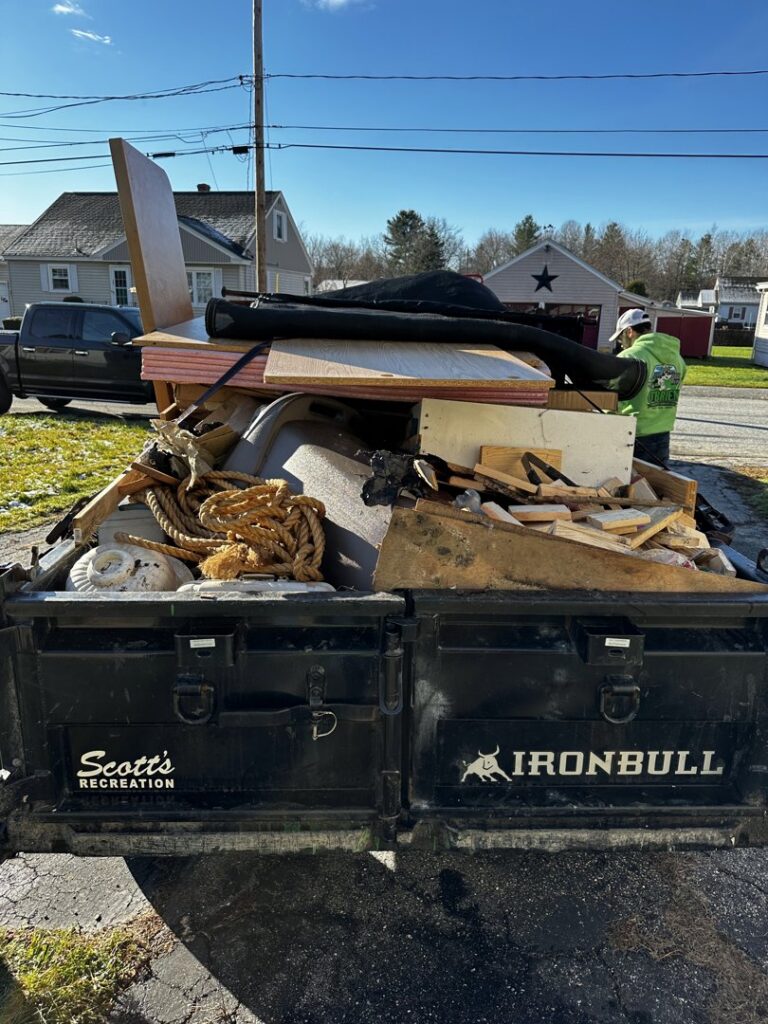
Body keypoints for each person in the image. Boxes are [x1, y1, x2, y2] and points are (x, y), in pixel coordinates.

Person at [608, 308, 686, 464]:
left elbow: (610, 397)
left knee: (633, 485)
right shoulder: (677, 358)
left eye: (620, 338)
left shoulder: (629, 356)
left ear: (629, 331)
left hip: (634, 434)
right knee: (657, 485)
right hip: (663, 434)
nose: (621, 344)